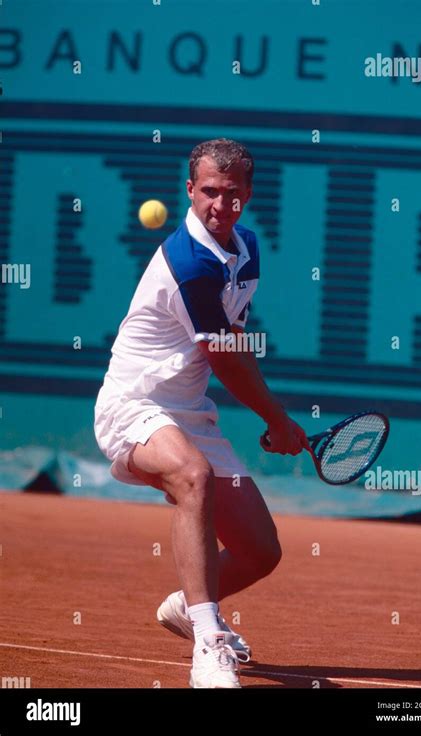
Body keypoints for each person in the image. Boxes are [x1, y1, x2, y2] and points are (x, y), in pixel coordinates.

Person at [94, 138, 309, 688]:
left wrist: (275, 417)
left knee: (261, 551)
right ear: (189, 191)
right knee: (193, 476)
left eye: (232, 194)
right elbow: (226, 357)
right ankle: (208, 644)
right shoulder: (190, 262)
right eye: (208, 191)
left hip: (189, 413)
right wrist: (277, 421)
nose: (220, 204)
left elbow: (232, 339)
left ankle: (185, 606)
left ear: (248, 196)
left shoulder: (247, 251)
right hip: (133, 404)